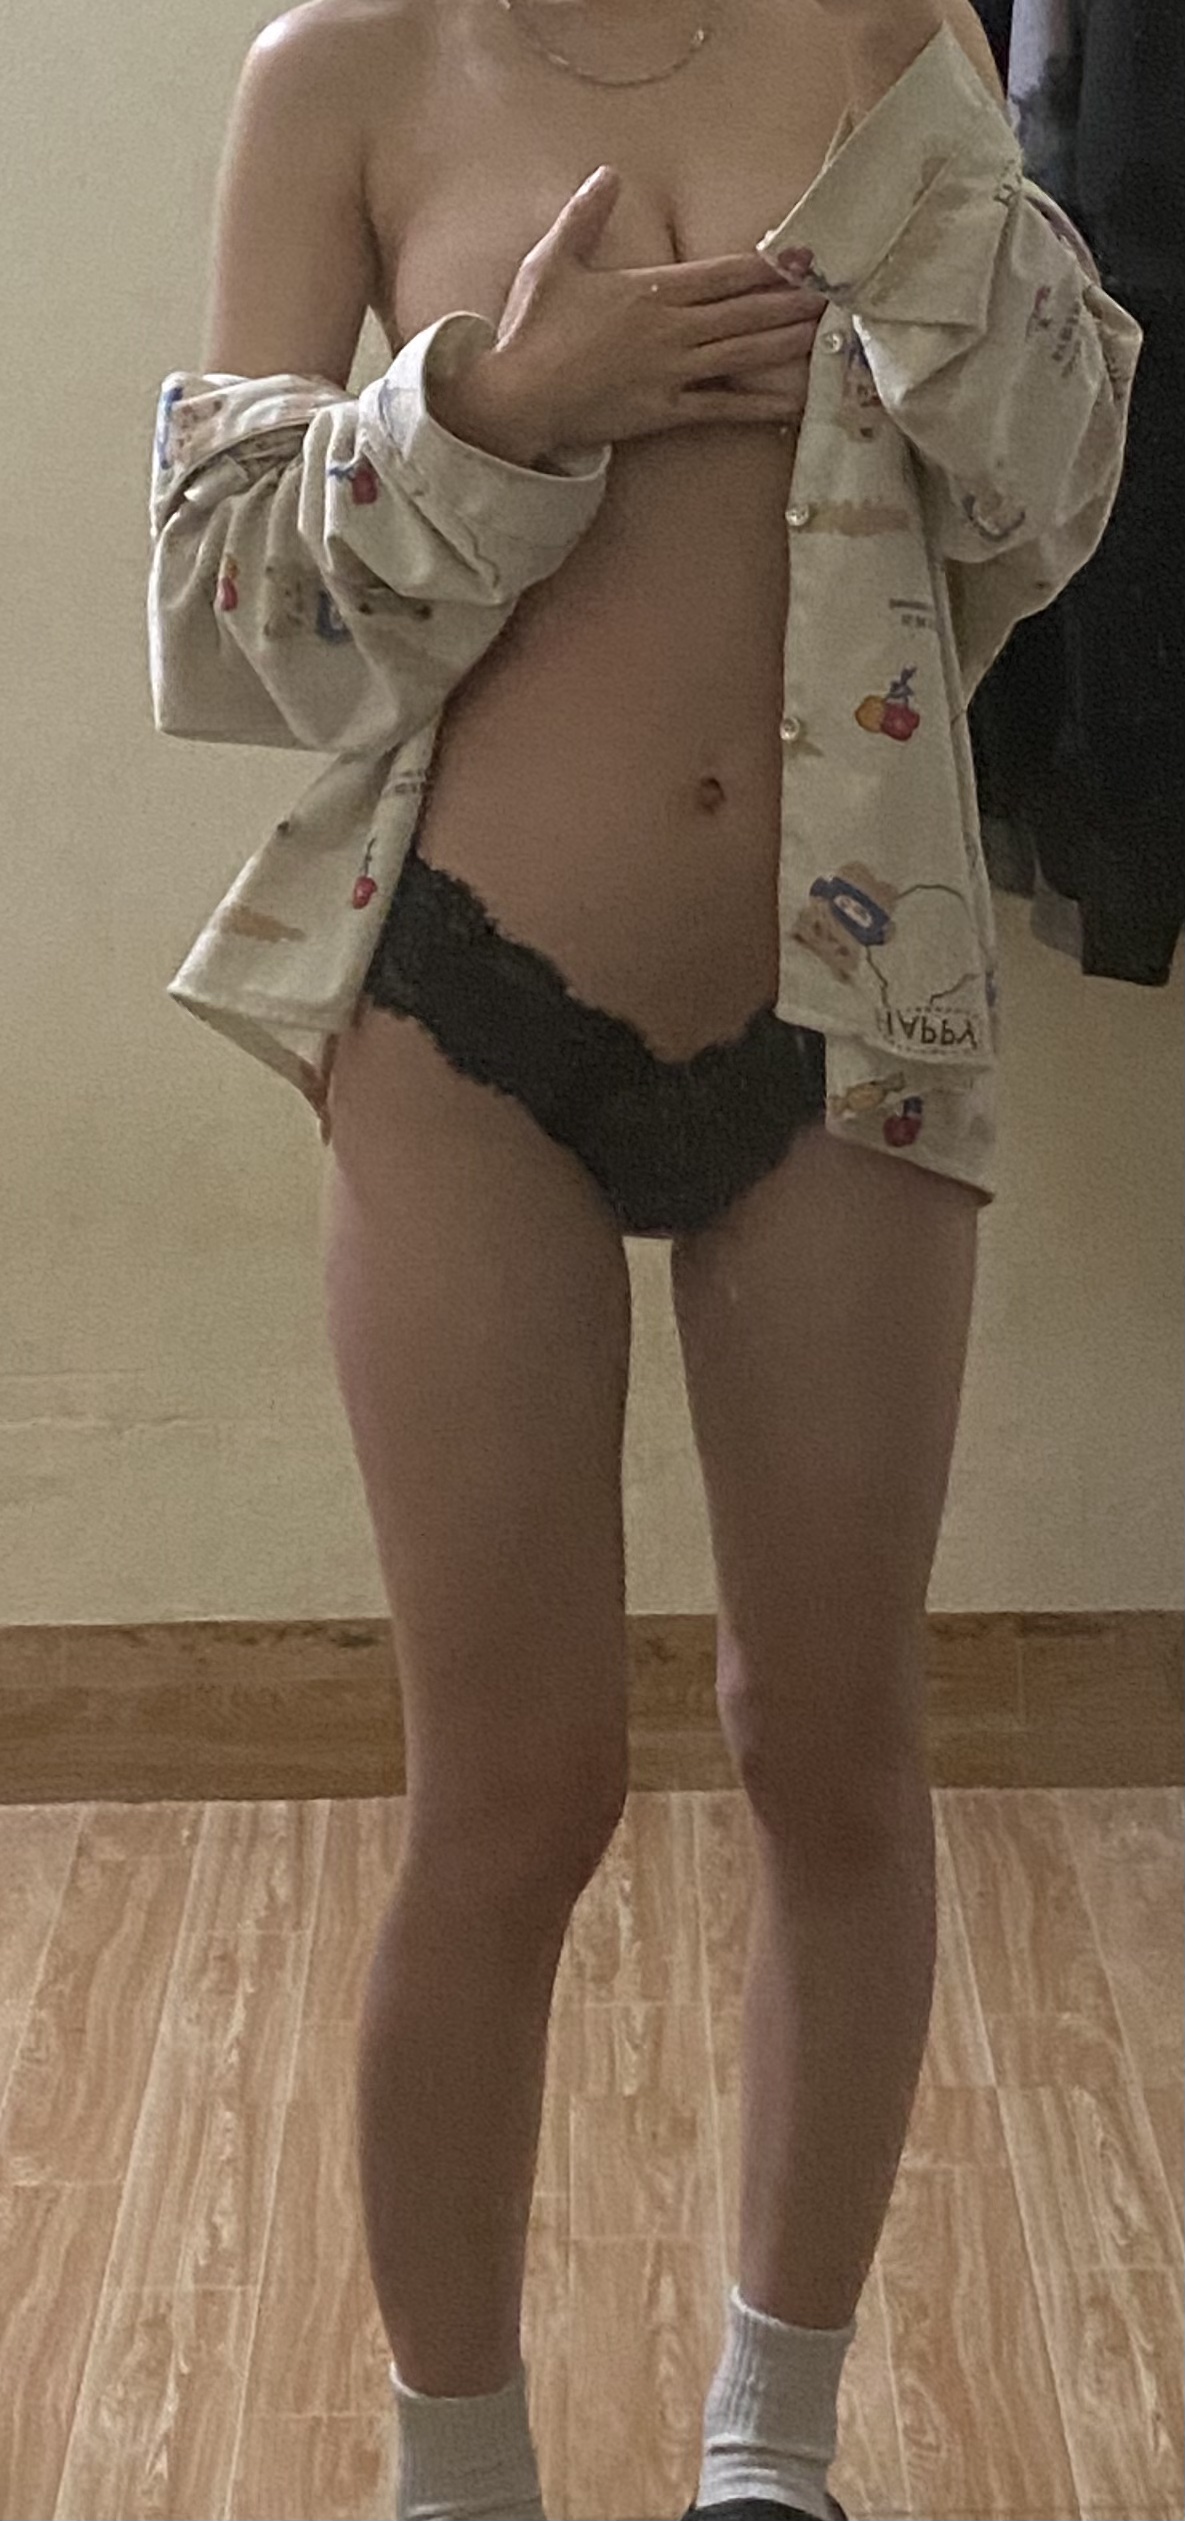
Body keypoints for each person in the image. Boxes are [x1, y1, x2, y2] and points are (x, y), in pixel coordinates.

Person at [165, 0, 1138, 2513]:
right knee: (508, 1787)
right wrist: (495, 409)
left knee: (832, 1744)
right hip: (457, 1010)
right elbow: (228, 614)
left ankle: (768, 2457)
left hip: (845, 1004)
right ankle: (455, 2469)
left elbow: (1049, 490)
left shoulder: (886, 33)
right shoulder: (336, 77)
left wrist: (917, 155)